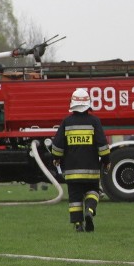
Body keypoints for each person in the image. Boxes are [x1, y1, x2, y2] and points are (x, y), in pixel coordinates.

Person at [50, 88, 111, 232]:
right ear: (88, 104)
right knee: (93, 191)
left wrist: (56, 158)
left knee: (75, 198)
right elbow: (102, 144)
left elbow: (57, 145)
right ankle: (89, 210)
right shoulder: (94, 121)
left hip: (72, 170)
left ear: (73, 104)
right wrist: (106, 160)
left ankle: (78, 224)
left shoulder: (66, 122)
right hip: (91, 169)